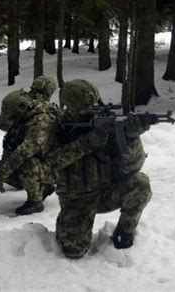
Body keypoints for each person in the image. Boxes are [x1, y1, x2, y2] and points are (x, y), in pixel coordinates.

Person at [48, 79, 152, 258]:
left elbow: (133, 167)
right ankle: (67, 223)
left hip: (106, 194)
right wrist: (85, 143)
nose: (91, 111)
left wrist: (130, 138)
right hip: (76, 200)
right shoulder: (58, 129)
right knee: (74, 251)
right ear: (69, 110)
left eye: (94, 105)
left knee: (140, 183)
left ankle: (124, 232)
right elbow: (49, 164)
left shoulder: (108, 124)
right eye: (84, 109)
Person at [0, 89, 58, 215]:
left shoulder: (41, 120)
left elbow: (28, 149)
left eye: (14, 114)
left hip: (59, 165)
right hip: (46, 159)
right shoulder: (27, 113)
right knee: (10, 169)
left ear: (22, 107)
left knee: (25, 162)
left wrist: (5, 170)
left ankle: (35, 202)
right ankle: (44, 187)